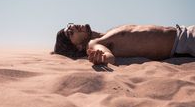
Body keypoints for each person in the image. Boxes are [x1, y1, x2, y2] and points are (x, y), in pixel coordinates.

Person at [53, 23, 195, 65]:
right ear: (77, 46)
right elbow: (109, 57)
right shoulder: (94, 43)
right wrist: (101, 57)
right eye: (70, 33)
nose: (72, 28)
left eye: (69, 26)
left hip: (186, 31)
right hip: (183, 44)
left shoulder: (104, 34)